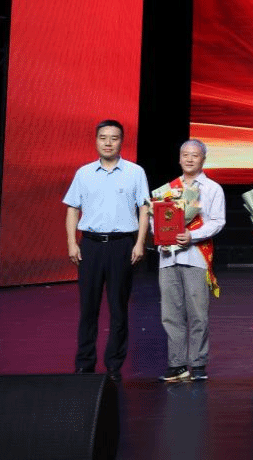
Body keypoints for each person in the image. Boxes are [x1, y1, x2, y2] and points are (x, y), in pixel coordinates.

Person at [63, 119, 150, 381]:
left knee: (118, 308)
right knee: (88, 308)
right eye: (103, 138)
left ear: (121, 141)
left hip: (122, 245)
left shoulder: (135, 172)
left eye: (114, 138)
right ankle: (84, 363)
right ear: (96, 140)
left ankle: (113, 365)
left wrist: (139, 242)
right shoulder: (84, 173)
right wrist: (72, 242)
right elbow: (72, 208)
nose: (108, 143)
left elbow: (144, 208)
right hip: (90, 245)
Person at [152, 139, 226, 382]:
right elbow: (155, 219)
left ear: (203, 159)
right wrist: (160, 234)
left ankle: (198, 363)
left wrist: (192, 235)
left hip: (196, 256)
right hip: (168, 258)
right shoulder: (167, 190)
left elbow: (218, 221)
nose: (189, 159)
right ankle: (177, 364)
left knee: (198, 313)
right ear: (179, 158)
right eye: (185, 154)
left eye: (195, 155)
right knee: (170, 313)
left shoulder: (213, 188)